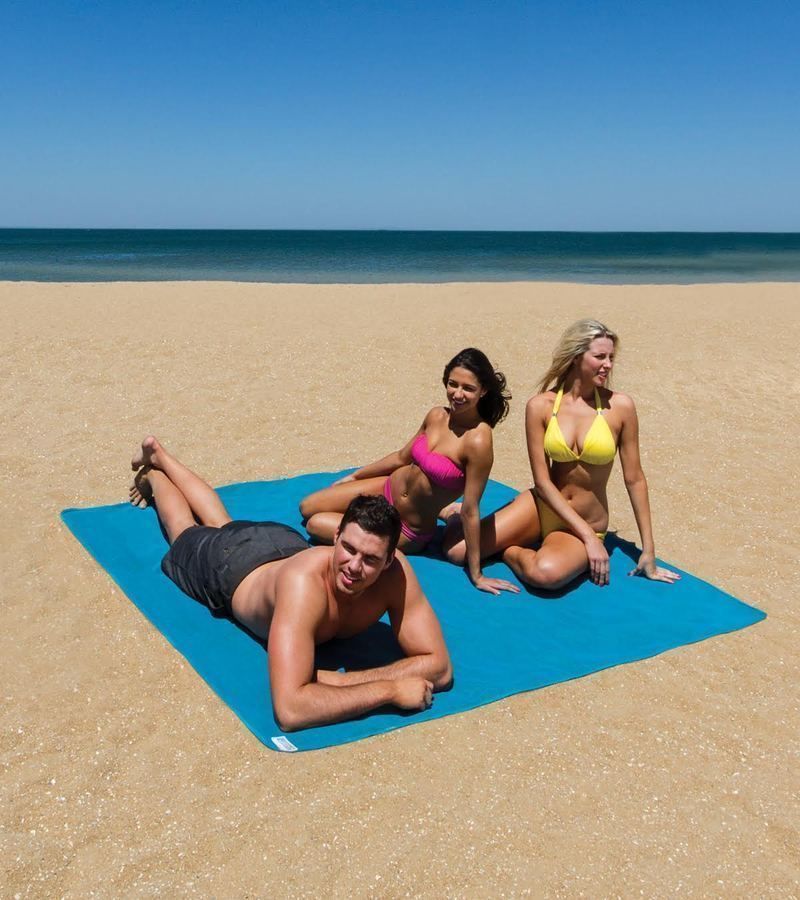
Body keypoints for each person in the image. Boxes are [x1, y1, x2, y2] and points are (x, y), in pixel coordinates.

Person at [128, 436, 452, 732]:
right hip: (230, 567)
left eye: (369, 559)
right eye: (349, 549)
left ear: (389, 560)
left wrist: (344, 683)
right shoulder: (303, 585)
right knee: (184, 530)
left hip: (281, 542)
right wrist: (390, 689)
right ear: (335, 537)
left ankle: (159, 455)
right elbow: (291, 710)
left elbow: (438, 668)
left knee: (223, 523)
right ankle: (156, 473)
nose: (354, 566)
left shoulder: (398, 574)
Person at [442, 320, 680, 591]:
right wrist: (589, 541)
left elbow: (634, 479)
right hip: (543, 506)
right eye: (600, 356)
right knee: (456, 552)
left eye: (611, 357)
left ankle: (510, 551)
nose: (608, 365)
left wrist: (647, 550)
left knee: (545, 575)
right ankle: (453, 516)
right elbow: (542, 482)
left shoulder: (620, 407)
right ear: (577, 357)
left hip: (586, 520)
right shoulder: (540, 406)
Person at [299, 348, 519, 596]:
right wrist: (357, 476)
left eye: (468, 388)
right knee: (307, 507)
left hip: (407, 527)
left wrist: (477, 574)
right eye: (452, 384)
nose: (457, 394)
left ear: (484, 391)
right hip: (385, 490)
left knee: (315, 525)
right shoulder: (437, 415)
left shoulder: (478, 440)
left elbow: (470, 509)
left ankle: (444, 512)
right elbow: (402, 457)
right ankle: (445, 511)